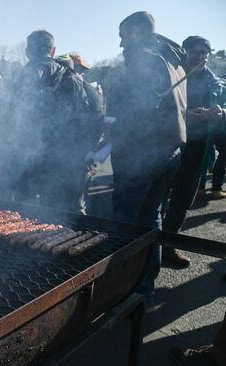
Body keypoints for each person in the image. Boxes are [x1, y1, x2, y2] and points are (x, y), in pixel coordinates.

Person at [109, 11, 187, 305]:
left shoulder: (146, 58)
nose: (120, 44)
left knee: (126, 223)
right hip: (168, 152)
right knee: (150, 219)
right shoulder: (171, 58)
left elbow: (139, 112)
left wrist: (115, 128)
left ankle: (122, 290)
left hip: (142, 155)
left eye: (123, 35)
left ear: (138, 32)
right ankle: (145, 288)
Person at [10, 30, 102, 214]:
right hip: (66, 161)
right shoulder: (76, 79)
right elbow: (97, 114)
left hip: (27, 163)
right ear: (53, 51)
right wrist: (86, 152)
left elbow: (6, 122)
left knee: (26, 215)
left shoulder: (19, 79)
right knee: (66, 215)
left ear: (27, 52)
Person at [162, 36, 226, 267]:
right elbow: (157, 107)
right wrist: (184, 116)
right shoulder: (172, 73)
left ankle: (168, 247)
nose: (199, 58)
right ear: (184, 52)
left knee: (181, 203)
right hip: (170, 146)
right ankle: (150, 253)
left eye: (204, 54)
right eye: (195, 52)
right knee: (160, 200)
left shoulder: (215, 82)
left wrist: (221, 112)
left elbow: (225, 104)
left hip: (199, 149)